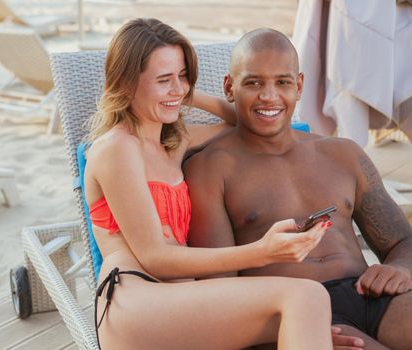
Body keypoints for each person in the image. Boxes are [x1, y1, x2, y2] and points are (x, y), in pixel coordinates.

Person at [84, 17, 338, 350]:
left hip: (183, 300)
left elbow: (245, 119)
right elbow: (154, 257)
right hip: (136, 297)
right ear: (126, 83)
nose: (178, 88)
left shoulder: (172, 144)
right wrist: (260, 252)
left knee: (310, 312)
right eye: (163, 79)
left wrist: (181, 94)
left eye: (183, 75)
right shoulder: (117, 148)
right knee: (305, 297)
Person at [185, 27, 412, 350]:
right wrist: (291, 334)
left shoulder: (344, 154)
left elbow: (402, 241)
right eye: (253, 82)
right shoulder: (210, 169)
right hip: (294, 314)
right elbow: (221, 289)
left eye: (282, 82)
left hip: (372, 296)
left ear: (299, 85)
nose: (269, 96)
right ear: (229, 87)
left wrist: (401, 268)